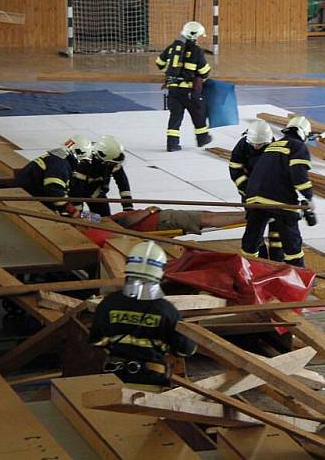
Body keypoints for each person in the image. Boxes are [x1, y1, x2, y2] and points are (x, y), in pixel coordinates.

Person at [90, 240, 197, 387]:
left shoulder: (108, 304)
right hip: (151, 381)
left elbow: (96, 341)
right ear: (159, 273)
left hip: (112, 379)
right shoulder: (166, 311)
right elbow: (186, 349)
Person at [240, 116, 315, 267]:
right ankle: (297, 274)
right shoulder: (296, 146)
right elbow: (299, 175)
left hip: (254, 198)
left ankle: (248, 270)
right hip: (280, 199)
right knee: (291, 239)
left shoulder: (274, 145)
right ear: (303, 134)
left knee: (252, 238)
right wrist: (309, 196)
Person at [229, 120, 283, 261]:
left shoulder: (275, 149)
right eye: (254, 144)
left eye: (260, 144)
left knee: (277, 231)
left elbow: (278, 175)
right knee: (255, 231)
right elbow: (235, 169)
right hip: (249, 196)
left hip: (272, 197)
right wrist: (248, 190)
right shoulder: (243, 145)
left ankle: (278, 260)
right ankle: (260, 258)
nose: (256, 146)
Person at [156, 21, 213, 152]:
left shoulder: (172, 48)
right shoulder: (197, 51)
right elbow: (204, 71)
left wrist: (170, 73)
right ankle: (202, 138)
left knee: (175, 117)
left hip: (173, 89)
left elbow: (159, 62)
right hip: (189, 91)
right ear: (196, 36)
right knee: (199, 113)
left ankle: (172, 144)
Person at [81, 206, 247, 246]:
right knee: (206, 219)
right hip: (160, 221)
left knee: (206, 216)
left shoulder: (100, 223)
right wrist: (149, 211)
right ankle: (250, 216)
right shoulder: (107, 226)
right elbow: (127, 223)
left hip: (161, 221)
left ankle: (249, 215)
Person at [14, 135, 91, 216]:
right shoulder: (60, 165)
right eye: (82, 160)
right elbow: (54, 189)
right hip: (25, 198)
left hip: (28, 193)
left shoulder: (57, 159)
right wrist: (72, 210)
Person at [71, 135, 134, 217]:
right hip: (75, 188)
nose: (115, 165)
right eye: (112, 163)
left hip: (96, 191)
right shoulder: (84, 164)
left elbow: (123, 183)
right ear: (102, 159)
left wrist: (128, 207)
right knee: (75, 217)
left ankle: (94, 220)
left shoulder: (113, 160)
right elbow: (76, 191)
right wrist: (77, 213)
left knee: (105, 218)